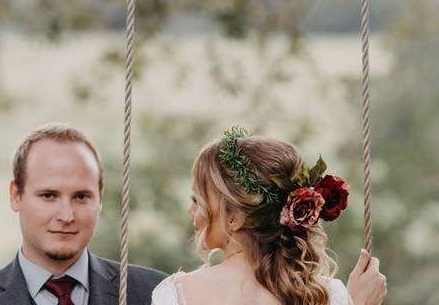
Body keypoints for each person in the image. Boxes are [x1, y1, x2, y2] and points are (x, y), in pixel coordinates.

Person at [151, 127, 389, 305]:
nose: (191, 210)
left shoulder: (175, 295)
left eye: (197, 200)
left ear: (234, 217)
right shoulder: (330, 295)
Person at [0, 123, 166, 305]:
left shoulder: (158, 295)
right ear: (16, 195)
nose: (66, 216)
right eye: (48, 195)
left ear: (100, 198)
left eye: (81, 197)